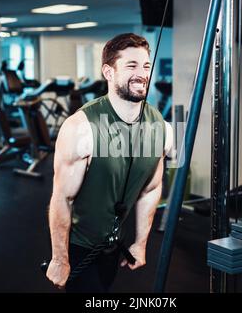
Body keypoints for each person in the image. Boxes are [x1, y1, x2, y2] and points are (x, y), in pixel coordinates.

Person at [46, 33, 173, 293]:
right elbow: (62, 198)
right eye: (131, 66)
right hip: (80, 245)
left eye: (146, 66)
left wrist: (140, 241)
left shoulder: (162, 127)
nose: (142, 74)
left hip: (116, 245)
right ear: (109, 72)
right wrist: (60, 258)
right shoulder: (80, 127)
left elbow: (151, 189)